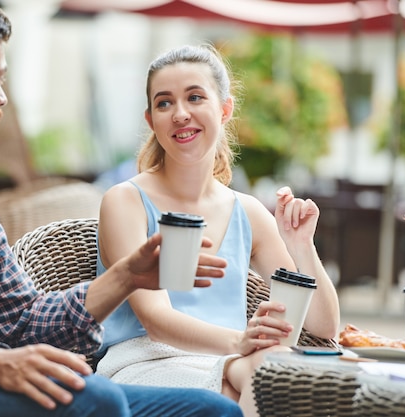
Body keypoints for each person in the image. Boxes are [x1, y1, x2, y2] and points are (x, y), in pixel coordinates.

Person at [0, 2, 244, 417]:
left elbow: (22, 319)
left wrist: (127, 277)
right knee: (100, 400)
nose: (3, 98)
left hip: (4, 381)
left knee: (210, 410)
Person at [94, 44, 340, 417]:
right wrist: (240, 341)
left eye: (194, 97)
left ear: (224, 109)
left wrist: (302, 246)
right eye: (164, 103)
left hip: (231, 361)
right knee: (251, 386)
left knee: (277, 367)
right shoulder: (124, 201)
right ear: (151, 120)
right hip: (145, 363)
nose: (179, 114)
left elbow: (323, 325)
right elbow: (156, 321)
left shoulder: (248, 212)